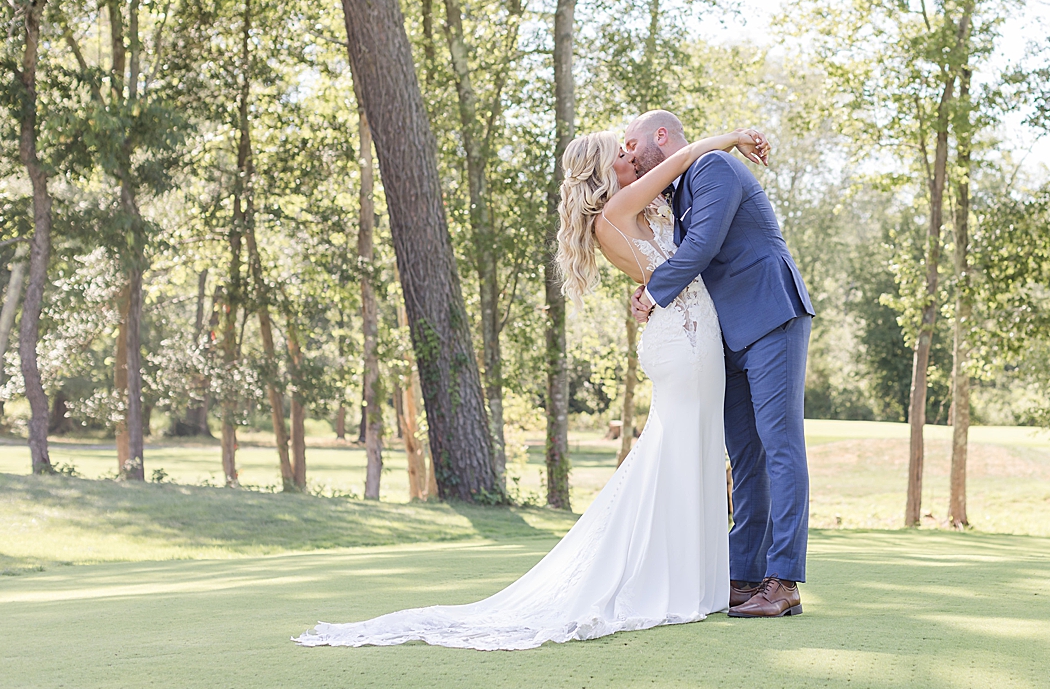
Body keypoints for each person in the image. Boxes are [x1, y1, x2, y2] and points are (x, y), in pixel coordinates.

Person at [295, 124, 767, 651]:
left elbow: (677, 244)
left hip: (691, 337)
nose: (632, 156)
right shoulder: (614, 212)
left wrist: (647, 291)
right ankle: (674, 582)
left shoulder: (637, 212)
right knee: (678, 452)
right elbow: (680, 162)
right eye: (622, 152)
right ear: (604, 169)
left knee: (693, 451)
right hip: (681, 345)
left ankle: (697, 580)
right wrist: (730, 137)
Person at [625, 109, 814, 619]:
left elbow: (702, 246)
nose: (628, 154)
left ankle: (785, 580)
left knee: (780, 445)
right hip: (726, 336)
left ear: (660, 136)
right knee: (746, 457)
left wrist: (654, 294)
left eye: (631, 143)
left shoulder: (711, 168)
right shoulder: (674, 192)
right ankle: (746, 574)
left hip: (770, 312)